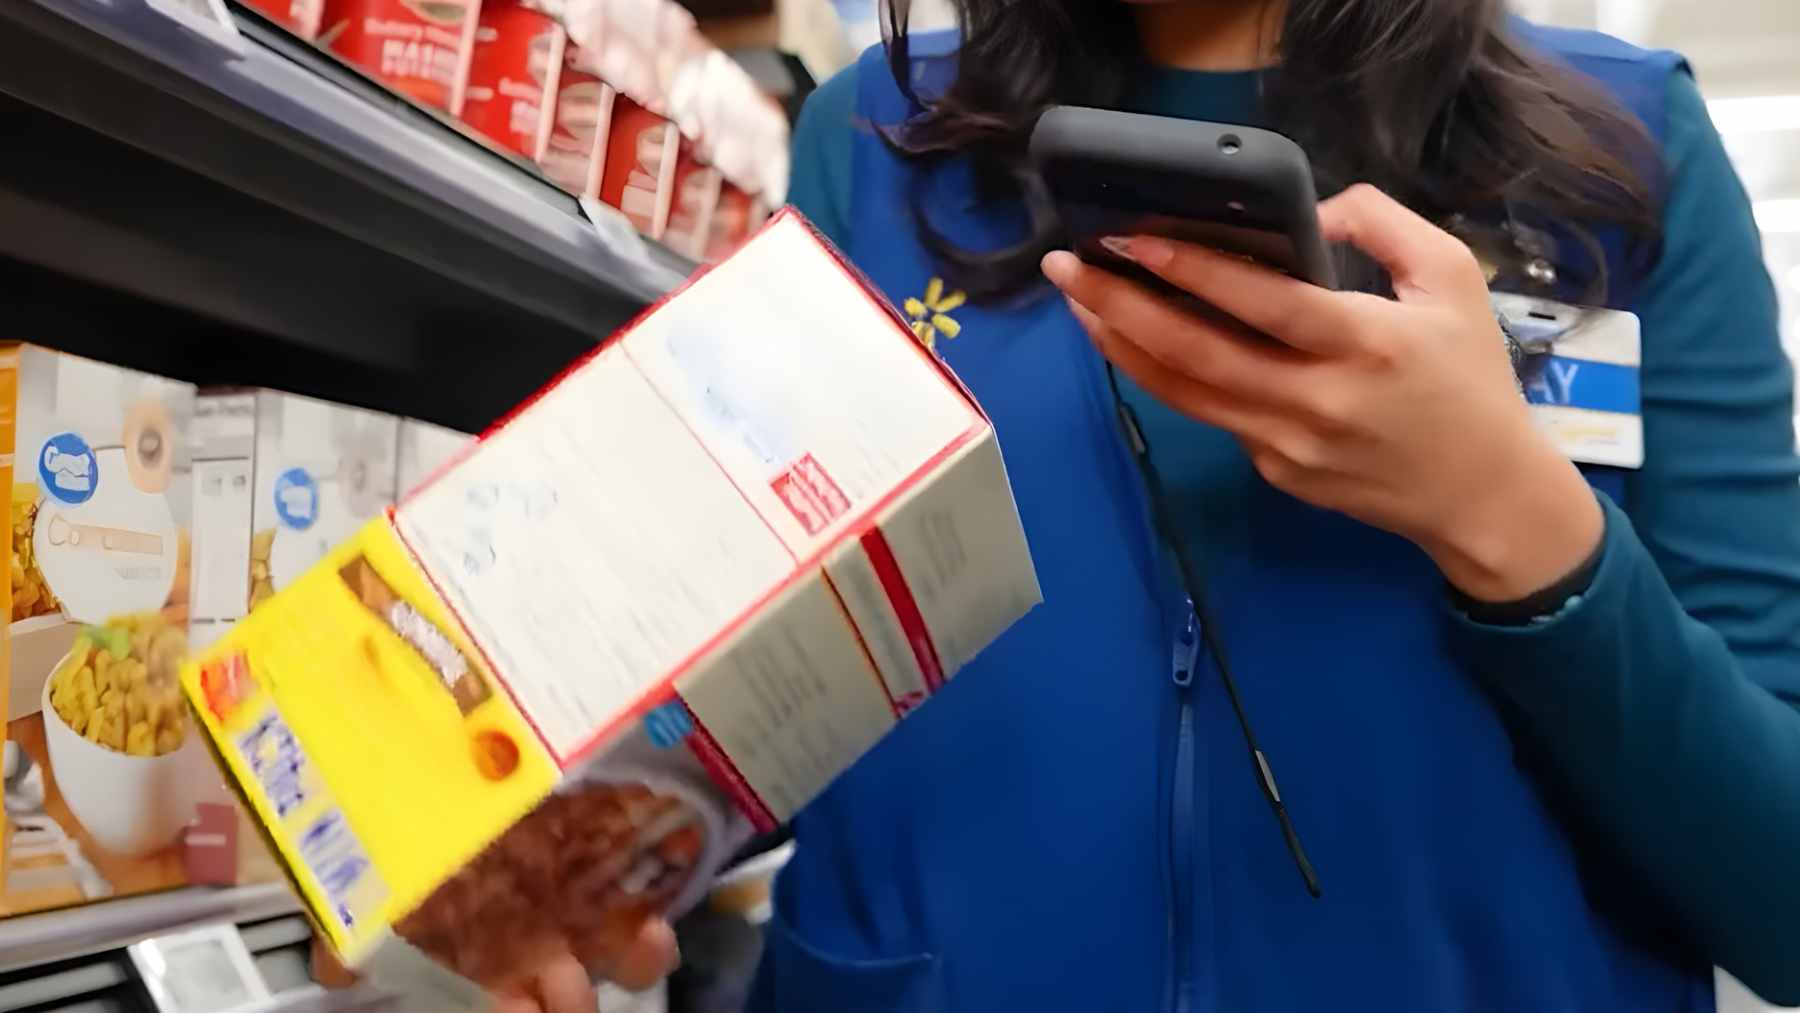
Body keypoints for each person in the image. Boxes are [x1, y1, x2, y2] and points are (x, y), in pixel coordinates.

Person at [741, 1, 1800, 1011]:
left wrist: (1509, 515)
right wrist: (601, 846)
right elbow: (747, 684)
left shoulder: (1620, 144)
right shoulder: (881, 136)